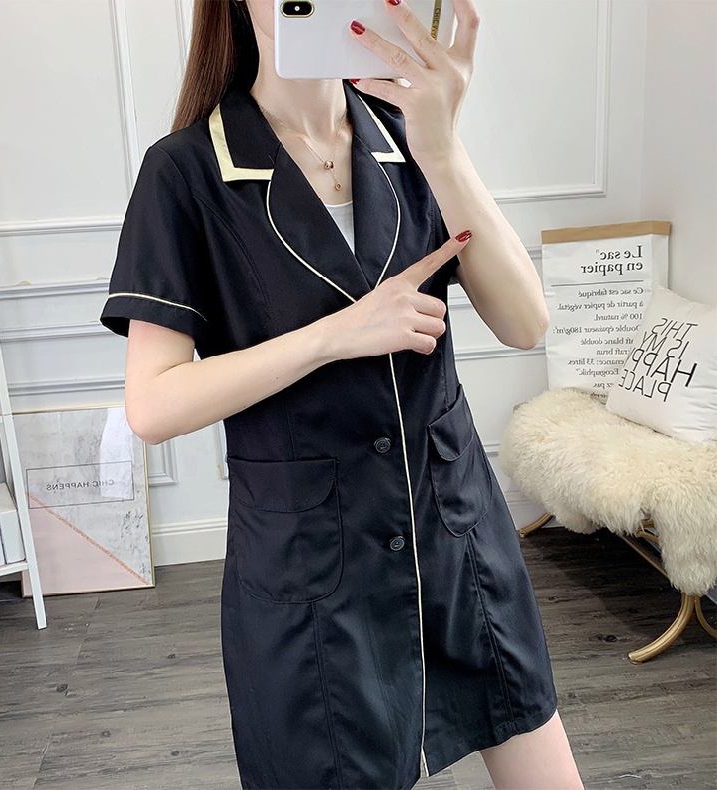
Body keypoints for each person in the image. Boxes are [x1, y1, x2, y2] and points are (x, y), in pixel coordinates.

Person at [99, 0, 585, 787]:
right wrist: (335, 334)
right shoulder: (185, 172)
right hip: (312, 573)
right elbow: (152, 405)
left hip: (455, 537)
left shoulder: (408, 136)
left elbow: (526, 323)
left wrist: (441, 143)